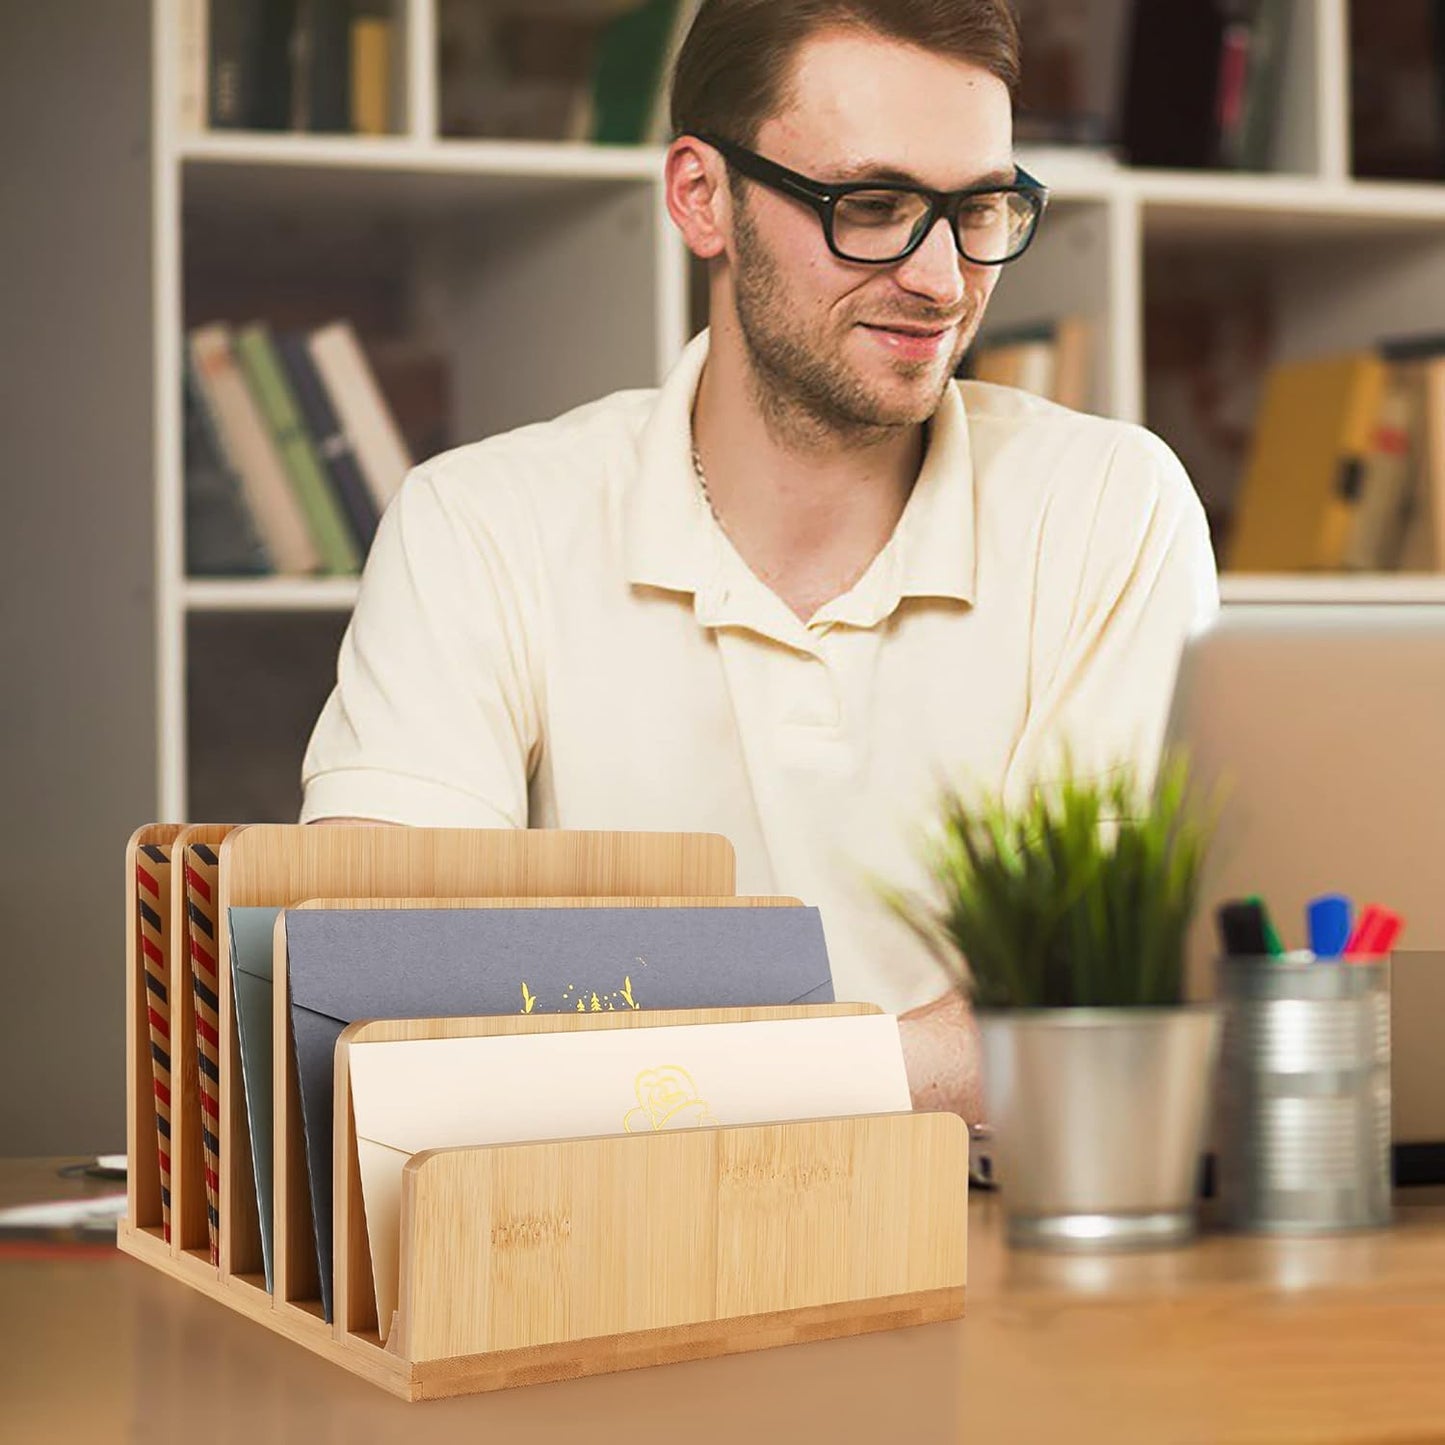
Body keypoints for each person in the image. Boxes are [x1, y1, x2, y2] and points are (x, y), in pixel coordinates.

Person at [300, 0, 1219, 1123]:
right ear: (701, 196)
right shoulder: (479, 524)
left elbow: (1097, 1009)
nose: (940, 279)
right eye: (871, 207)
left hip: (1003, 1261)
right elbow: (380, 1011)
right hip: (601, 1260)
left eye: (978, 209)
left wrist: (667, 1078)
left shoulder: (1108, 509)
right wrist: (901, 1059)